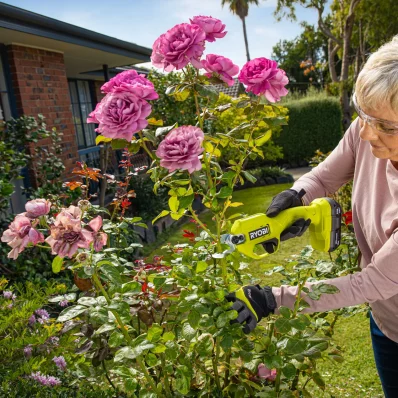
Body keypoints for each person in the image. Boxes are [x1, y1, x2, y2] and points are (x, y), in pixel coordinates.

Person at [226, 35, 398, 397]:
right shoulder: (366, 130)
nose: (365, 132)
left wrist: (272, 299)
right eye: (361, 114)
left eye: (384, 126)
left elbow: (370, 283)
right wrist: (295, 197)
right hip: (387, 321)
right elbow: (322, 177)